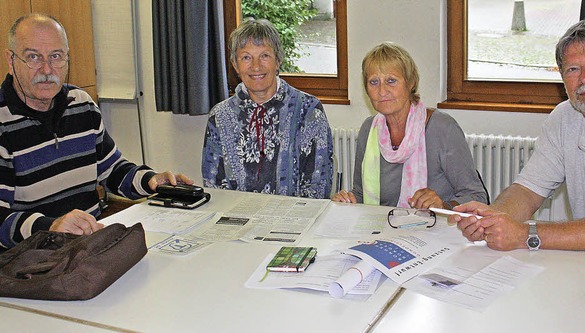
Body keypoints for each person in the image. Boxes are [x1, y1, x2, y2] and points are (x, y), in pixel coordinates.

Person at [0, 14, 193, 250]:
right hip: (31, 262)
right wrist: (50, 227)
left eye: (56, 56)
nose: (47, 69)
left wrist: (151, 181)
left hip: (90, 249)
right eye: (33, 57)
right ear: (11, 61)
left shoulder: (81, 104)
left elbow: (112, 170)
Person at [452, 19, 585, 251]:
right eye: (572, 69)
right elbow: (528, 191)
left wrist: (524, 235)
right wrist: (491, 220)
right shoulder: (564, 116)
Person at [332, 42, 488, 209]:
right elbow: (361, 193)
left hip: (435, 229)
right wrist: (348, 200)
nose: (382, 91)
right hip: (384, 229)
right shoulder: (369, 130)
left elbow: (478, 197)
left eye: (391, 81)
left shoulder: (442, 128)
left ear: (411, 82)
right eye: (374, 82)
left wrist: (444, 206)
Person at [202, 19, 333, 199]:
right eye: (246, 57)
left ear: (277, 60)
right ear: (235, 65)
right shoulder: (219, 116)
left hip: (295, 220)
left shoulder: (309, 111)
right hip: (236, 220)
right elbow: (213, 186)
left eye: (264, 56)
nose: (256, 66)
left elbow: (318, 186)